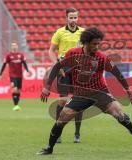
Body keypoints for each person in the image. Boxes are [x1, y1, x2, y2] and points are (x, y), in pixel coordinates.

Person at [37, 27, 132, 155]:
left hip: (100, 92)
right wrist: (47, 87)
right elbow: (57, 65)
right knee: (62, 118)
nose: (97, 46)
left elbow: (117, 73)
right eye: (94, 44)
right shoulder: (73, 53)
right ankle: (49, 148)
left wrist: (129, 91)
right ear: (86, 42)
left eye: (98, 44)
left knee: (119, 114)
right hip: (81, 94)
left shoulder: (102, 58)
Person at [49, 8, 85, 143]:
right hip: (63, 69)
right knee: (63, 101)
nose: (73, 20)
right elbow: (51, 51)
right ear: (66, 18)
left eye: (75, 18)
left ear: (78, 18)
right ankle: (57, 132)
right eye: (71, 17)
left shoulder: (83, 32)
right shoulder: (59, 32)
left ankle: (77, 133)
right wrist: (56, 65)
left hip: (78, 71)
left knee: (79, 102)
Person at [0, 42, 29, 111]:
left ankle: (17, 105)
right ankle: (15, 105)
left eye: (15, 45)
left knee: (18, 90)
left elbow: (24, 63)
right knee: (14, 89)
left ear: (17, 47)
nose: (14, 47)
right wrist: (0, 74)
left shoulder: (21, 55)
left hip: (20, 75)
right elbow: (4, 65)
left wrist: (27, 70)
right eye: (12, 46)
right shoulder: (8, 55)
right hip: (12, 75)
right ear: (11, 47)